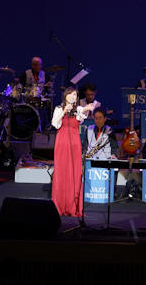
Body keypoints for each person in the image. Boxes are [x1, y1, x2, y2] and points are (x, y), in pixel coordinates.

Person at [51, 87, 95, 216]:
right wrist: (64, 111)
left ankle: (73, 206)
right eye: (70, 94)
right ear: (65, 95)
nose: (73, 96)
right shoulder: (59, 109)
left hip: (74, 142)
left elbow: (83, 113)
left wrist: (87, 108)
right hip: (61, 142)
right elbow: (55, 124)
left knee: (74, 172)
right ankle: (59, 205)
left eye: (75, 95)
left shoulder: (78, 110)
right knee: (61, 172)